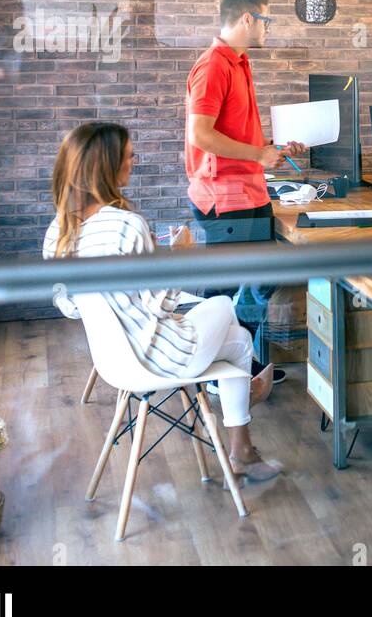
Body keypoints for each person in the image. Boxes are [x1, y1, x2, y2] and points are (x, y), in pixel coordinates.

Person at [44, 121, 280, 482]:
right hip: (162, 355)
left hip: (114, 359)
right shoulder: (126, 225)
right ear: (104, 166)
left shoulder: (57, 232)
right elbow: (164, 304)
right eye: (127, 156)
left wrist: (120, 296)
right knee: (226, 309)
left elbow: (70, 306)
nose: (133, 162)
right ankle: (242, 433)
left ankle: (243, 437)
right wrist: (177, 257)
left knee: (238, 338)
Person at [185, 0, 305, 371]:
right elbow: (200, 135)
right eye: (266, 19)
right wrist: (258, 154)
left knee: (264, 277)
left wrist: (271, 146)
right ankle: (207, 369)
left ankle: (236, 359)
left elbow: (231, 130)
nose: (269, 27)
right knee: (220, 291)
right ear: (247, 19)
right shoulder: (214, 64)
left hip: (249, 190)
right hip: (224, 196)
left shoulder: (239, 61)